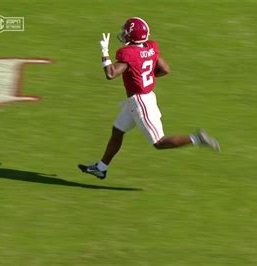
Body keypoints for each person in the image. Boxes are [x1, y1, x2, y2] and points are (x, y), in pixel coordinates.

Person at [78, 17, 220, 179]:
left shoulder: (128, 54)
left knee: (159, 143)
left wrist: (104, 52)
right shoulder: (151, 47)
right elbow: (165, 69)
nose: (124, 33)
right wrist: (145, 77)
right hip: (143, 98)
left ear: (132, 35)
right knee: (117, 131)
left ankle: (197, 138)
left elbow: (111, 74)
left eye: (126, 31)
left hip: (140, 102)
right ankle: (101, 168)